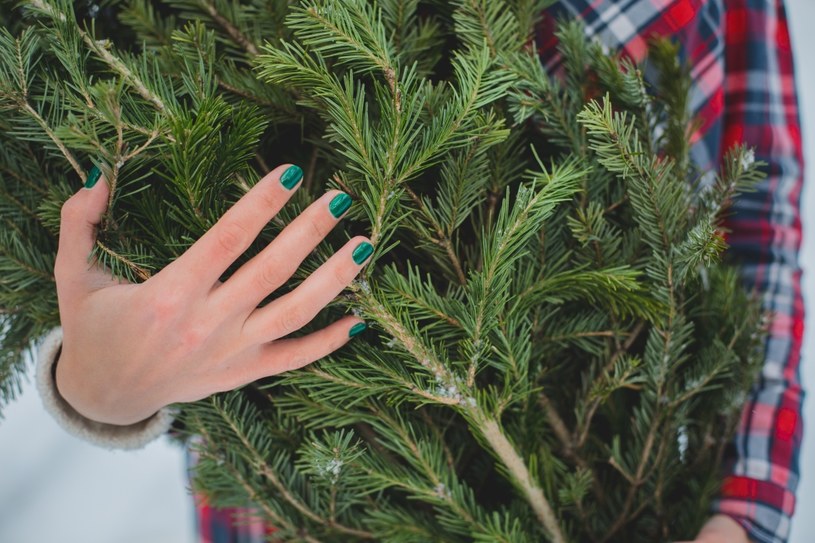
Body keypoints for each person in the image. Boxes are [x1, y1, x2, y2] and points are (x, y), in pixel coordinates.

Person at [35, 0, 804, 542]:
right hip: (299, 507)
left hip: (626, 486)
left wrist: (742, 514)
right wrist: (95, 388)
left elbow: (756, 216)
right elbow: (82, 225)